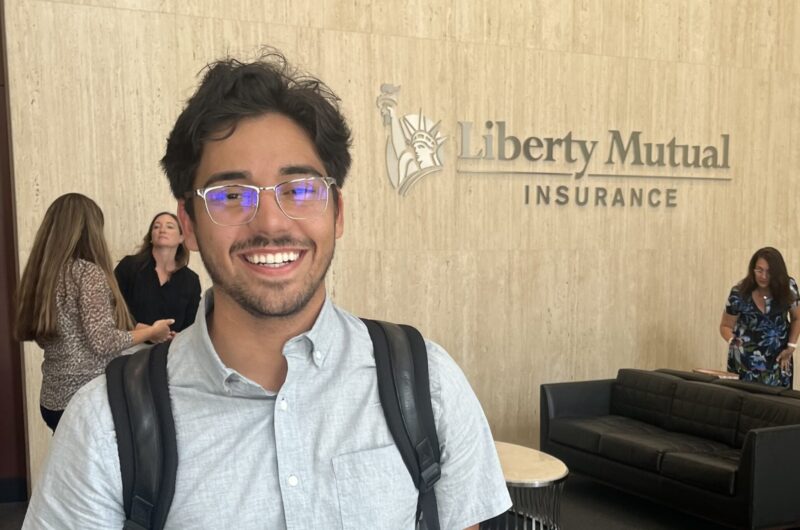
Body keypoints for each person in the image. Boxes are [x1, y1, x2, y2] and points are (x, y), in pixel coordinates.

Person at [23, 51, 511, 528]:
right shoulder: (105, 424)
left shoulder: (428, 384)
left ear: (337, 212)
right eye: (232, 195)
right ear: (189, 223)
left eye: (299, 189)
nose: (272, 223)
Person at [15, 193, 175, 431]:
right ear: (90, 230)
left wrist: (132, 330)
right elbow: (102, 341)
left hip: (52, 399)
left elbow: (71, 332)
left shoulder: (43, 275)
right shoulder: (86, 273)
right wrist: (152, 331)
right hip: (83, 400)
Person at [720, 246, 800, 387]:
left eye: (769, 272)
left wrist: (791, 347)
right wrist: (733, 342)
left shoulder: (789, 286)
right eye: (759, 270)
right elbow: (725, 326)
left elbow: (797, 318)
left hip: (779, 360)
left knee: (777, 406)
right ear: (752, 270)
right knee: (743, 406)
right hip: (744, 362)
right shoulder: (739, 293)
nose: (763, 276)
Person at [115, 211, 201, 333]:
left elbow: (192, 324)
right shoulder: (129, 266)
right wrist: (144, 330)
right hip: (130, 343)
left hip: (171, 348)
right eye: (156, 226)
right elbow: (111, 306)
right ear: (151, 237)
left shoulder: (191, 280)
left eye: (170, 226)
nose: (162, 230)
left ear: (181, 238)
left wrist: (178, 338)